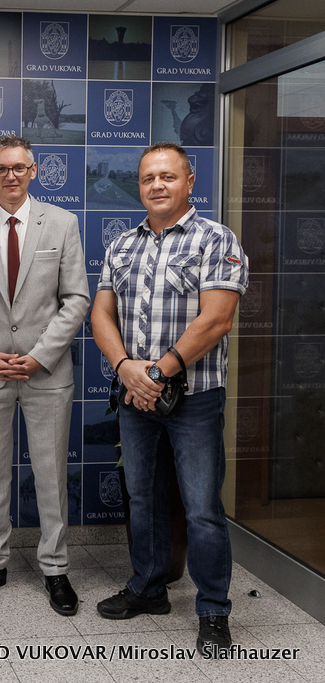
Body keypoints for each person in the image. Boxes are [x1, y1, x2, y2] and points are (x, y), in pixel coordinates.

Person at [91, 142, 248, 656]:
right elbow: (101, 314)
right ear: (139, 186)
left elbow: (217, 319)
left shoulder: (215, 239)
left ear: (189, 182)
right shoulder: (122, 245)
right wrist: (126, 369)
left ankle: (213, 610)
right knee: (143, 498)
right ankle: (149, 588)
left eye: (168, 176)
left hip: (194, 399)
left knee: (201, 508)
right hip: (136, 398)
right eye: (147, 178)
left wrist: (156, 373)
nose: (157, 185)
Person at [0, 134, 90, 616]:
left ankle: (56, 568)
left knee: (50, 475)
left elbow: (77, 299)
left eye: (19, 168)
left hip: (46, 373)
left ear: (33, 171)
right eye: (1, 168)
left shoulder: (63, 223)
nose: (11, 176)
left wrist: (41, 355)